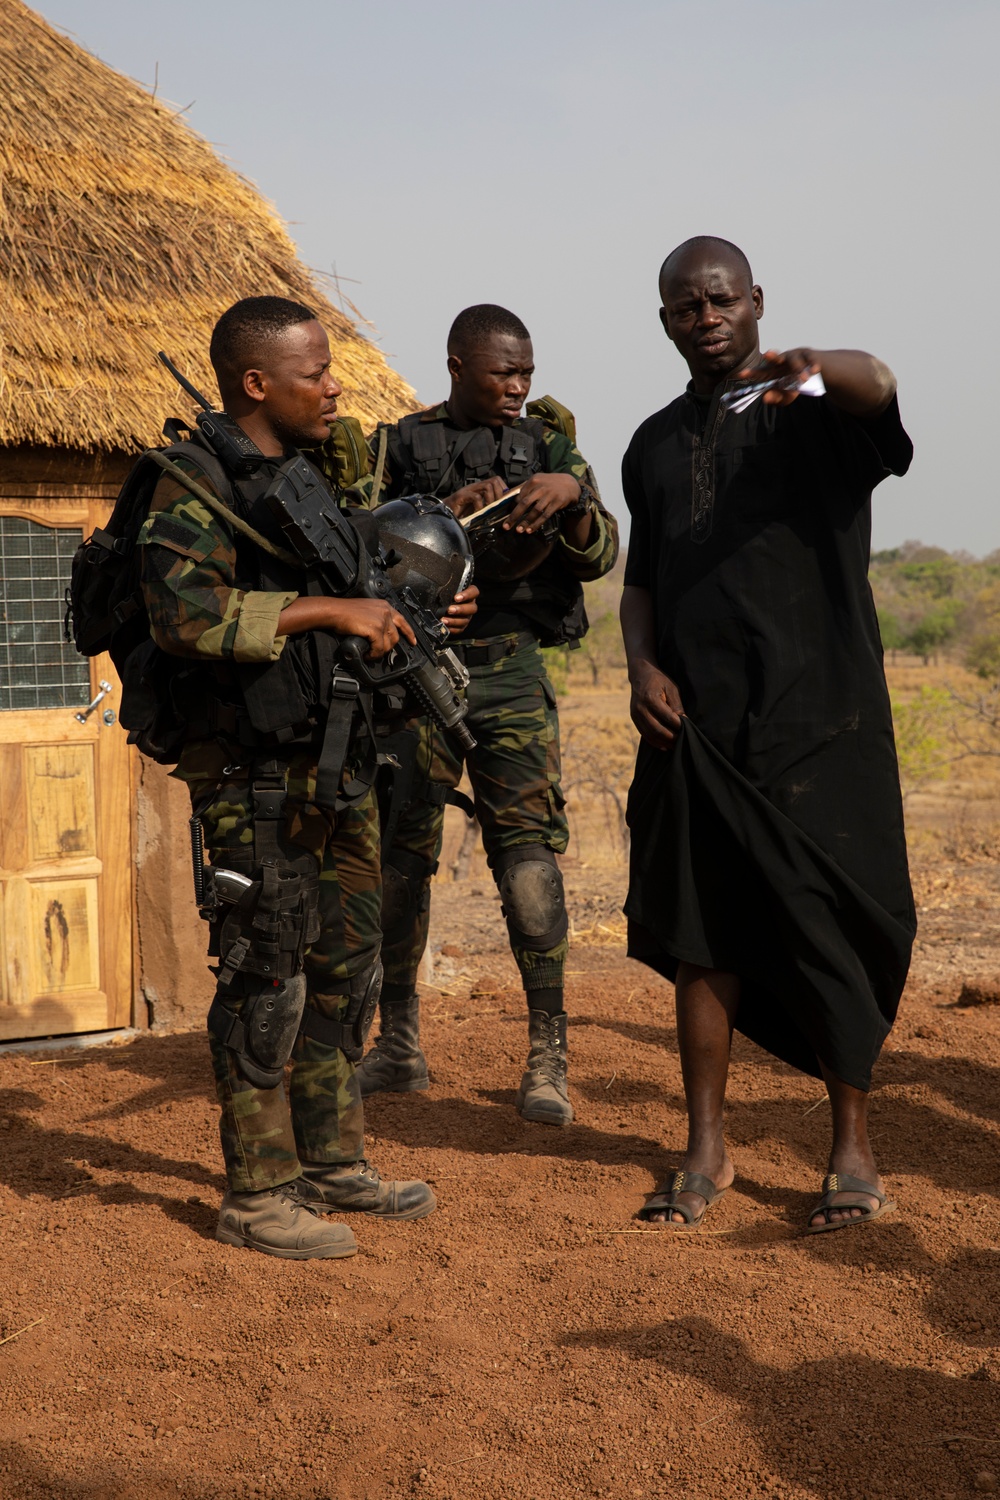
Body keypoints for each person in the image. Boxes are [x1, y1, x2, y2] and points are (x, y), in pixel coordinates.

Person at [137, 295, 475, 1258]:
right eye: (314, 373)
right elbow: (185, 619)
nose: (335, 386)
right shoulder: (190, 485)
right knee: (267, 972)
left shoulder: (305, 480)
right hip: (253, 775)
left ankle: (331, 1161)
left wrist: (399, 610)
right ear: (256, 383)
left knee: (347, 965)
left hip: (334, 764)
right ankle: (257, 1193)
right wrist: (323, 612)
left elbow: (356, 588)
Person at [619, 238, 915, 1232]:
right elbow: (641, 584)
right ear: (665, 320)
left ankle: (851, 1150)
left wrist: (822, 366)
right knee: (704, 939)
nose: (701, 318)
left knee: (830, 931)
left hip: (821, 720)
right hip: (699, 729)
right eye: (681, 307)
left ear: (753, 302)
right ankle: (705, 1148)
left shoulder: (814, 412)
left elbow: (879, 386)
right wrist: (641, 666)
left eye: (717, 300)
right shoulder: (652, 443)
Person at [349, 304, 619, 1125]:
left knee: (528, 863)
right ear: (459, 364)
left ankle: (548, 1055)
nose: (518, 387)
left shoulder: (547, 445)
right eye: (504, 372)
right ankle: (398, 1044)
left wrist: (568, 493)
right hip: (413, 676)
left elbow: (602, 551)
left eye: (527, 373)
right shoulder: (395, 446)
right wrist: (434, 530)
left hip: (508, 677)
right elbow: (354, 552)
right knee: (400, 862)